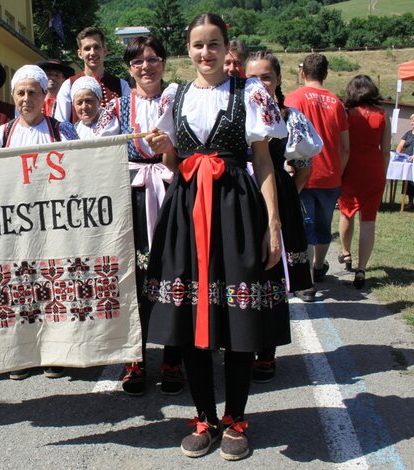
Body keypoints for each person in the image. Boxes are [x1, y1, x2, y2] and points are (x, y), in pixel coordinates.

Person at [145, 13, 287, 461]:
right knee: (190, 315)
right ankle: (204, 416)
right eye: (197, 45)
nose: (205, 53)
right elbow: (172, 167)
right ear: (187, 50)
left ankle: (236, 418)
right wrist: (167, 152)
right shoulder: (175, 95)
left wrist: (274, 225)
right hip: (187, 213)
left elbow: (263, 163)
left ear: (228, 48)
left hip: (235, 211)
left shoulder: (251, 93)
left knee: (238, 317)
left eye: (213, 44)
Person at [0, 65, 79, 380]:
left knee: (54, 285)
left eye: (33, 92)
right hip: (16, 223)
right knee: (20, 286)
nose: (27, 98)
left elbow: (81, 170)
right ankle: (22, 354)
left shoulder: (61, 130)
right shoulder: (2, 134)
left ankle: (55, 351)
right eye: (21, 93)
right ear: (13, 96)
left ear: (44, 96)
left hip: (54, 221)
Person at [106, 35, 185, 397]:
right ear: (128, 68)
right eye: (137, 61)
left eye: (152, 59)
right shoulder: (117, 107)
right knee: (131, 277)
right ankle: (134, 358)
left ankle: (173, 356)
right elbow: (98, 150)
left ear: (163, 63)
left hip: (174, 190)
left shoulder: (180, 100)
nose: (146, 66)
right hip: (132, 193)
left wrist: (170, 152)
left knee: (176, 272)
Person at [245, 50, 323, 382]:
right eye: (252, 77)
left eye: (266, 76)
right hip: (241, 198)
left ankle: (267, 352)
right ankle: (241, 344)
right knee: (244, 274)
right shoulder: (238, 113)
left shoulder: (289, 117)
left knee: (274, 276)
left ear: (278, 80)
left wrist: (288, 193)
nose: (260, 83)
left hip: (276, 194)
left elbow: (304, 165)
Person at [285, 53, 350, 302]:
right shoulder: (336, 103)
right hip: (330, 174)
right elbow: (345, 147)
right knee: (323, 225)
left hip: (303, 172)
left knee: (305, 227)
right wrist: (338, 171)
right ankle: (319, 266)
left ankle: (307, 283)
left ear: (303, 73)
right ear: (326, 73)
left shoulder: (294, 99)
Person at [338, 75, 391, 289]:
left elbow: (343, 146)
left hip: (350, 168)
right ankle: (361, 269)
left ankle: (346, 252)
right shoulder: (382, 115)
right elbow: (386, 150)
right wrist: (383, 174)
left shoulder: (347, 114)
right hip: (374, 170)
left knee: (346, 212)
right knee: (368, 221)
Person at [54, 26, 131, 123]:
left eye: (96, 47)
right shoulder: (68, 85)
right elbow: (61, 125)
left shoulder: (121, 85)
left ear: (104, 51)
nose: (92, 52)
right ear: (80, 54)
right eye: (87, 48)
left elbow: (129, 122)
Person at [395, 113, 414, 210]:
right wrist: (398, 154)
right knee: (408, 183)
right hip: (407, 163)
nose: (413, 123)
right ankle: (410, 203)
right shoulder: (408, 134)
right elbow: (399, 147)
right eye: (412, 121)